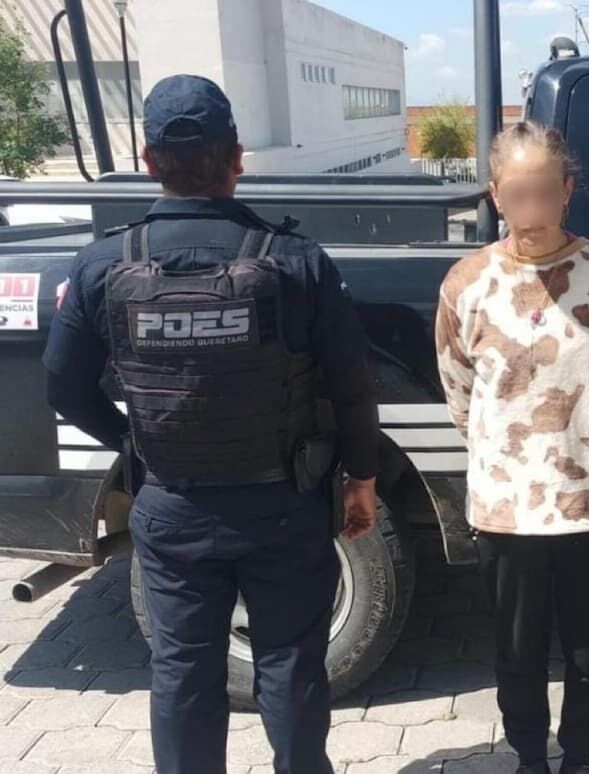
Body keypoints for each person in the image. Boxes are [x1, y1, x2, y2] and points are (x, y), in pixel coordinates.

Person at [43, 74, 380, 774]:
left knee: (183, 673)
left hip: (172, 504)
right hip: (283, 504)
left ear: (148, 160)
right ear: (237, 158)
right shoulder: (295, 261)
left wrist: (132, 443)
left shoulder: (104, 263)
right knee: (291, 665)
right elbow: (351, 384)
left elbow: (64, 387)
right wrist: (362, 478)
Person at [435, 121, 589, 774]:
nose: (530, 210)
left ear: (568, 191)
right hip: (509, 510)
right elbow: (460, 394)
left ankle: (579, 755)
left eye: (544, 193)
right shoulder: (467, 283)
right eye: (516, 195)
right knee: (517, 651)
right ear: (495, 195)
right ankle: (529, 755)